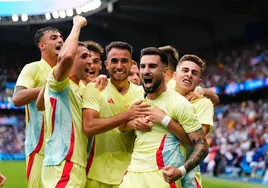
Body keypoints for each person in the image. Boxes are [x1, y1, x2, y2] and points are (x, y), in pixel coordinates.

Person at [120, 47, 208, 188]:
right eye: (143, 66)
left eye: (153, 66)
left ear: (165, 71)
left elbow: (202, 146)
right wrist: (133, 123)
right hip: (132, 174)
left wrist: (181, 171)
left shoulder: (180, 104)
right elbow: (121, 127)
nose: (146, 71)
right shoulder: (137, 98)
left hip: (162, 177)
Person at [82, 41, 151, 188]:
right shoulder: (95, 88)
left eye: (124, 61)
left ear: (132, 63)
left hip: (130, 176)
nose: (119, 66)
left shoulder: (142, 93)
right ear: (106, 64)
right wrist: (127, 115)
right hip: (97, 174)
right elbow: (88, 127)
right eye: (114, 61)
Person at [12, 26, 64, 187]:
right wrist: (51, 85)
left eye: (61, 37)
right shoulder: (33, 68)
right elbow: (17, 98)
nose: (60, 40)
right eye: (54, 38)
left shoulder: (69, 71)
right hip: (39, 147)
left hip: (66, 147)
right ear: (42, 45)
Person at [40, 16, 88, 187]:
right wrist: (77, 24)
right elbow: (67, 56)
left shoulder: (79, 88)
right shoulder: (59, 82)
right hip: (63, 162)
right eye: (83, 56)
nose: (88, 61)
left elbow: (39, 105)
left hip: (77, 163)